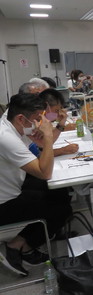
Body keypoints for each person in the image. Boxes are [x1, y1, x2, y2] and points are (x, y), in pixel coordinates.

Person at [0, 94, 72, 276]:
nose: (41, 123)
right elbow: (44, 172)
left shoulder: (14, 125)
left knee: (59, 192)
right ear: (21, 118)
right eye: (38, 118)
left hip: (14, 187)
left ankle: (29, 241)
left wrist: (44, 141)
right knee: (62, 209)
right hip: (4, 204)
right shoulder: (6, 137)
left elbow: (41, 153)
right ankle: (17, 246)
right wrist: (47, 137)